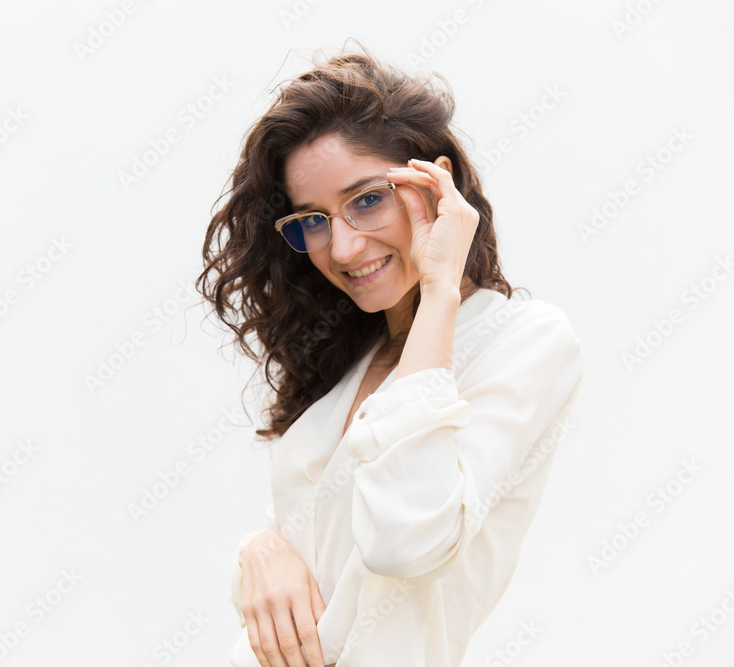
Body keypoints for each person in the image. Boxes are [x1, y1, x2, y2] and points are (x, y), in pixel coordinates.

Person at [195, 40, 584, 667]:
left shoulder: (526, 343)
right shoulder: (352, 357)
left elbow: (408, 539)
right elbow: (294, 556)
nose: (343, 249)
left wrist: (438, 290)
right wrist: (258, 553)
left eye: (367, 199)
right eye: (313, 219)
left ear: (435, 184)